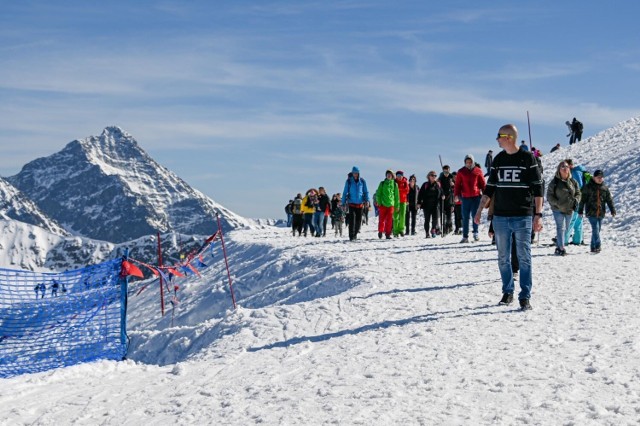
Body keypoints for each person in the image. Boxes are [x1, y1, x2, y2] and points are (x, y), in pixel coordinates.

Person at [474, 124, 543, 311]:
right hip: (501, 217)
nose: (497, 139)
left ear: (509, 137)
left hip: (523, 216)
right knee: (503, 257)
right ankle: (507, 291)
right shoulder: (498, 159)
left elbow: (538, 188)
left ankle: (525, 295)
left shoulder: (528, 158)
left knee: (524, 257)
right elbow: (490, 188)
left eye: (499, 136)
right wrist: (480, 210)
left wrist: (538, 215)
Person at [546, 161, 581, 256]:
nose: (565, 168)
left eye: (566, 166)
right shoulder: (554, 182)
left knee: (567, 228)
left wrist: (576, 201)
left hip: (570, 209)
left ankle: (558, 245)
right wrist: (557, 203)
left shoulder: (573, 182)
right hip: (558, 209)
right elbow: (549, 195)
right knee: (560, 227)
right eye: (562, 167)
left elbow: (578, 193)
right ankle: (561, 248)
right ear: (559, 170)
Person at [578, 169, 616, 253]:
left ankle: (592, 247)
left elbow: (609, 200)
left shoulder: (604, 188)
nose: (600, 179)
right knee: (595, 229)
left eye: (602, 177)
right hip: (591, 212)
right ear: (594, 177)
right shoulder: (587, 187)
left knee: (597, 230)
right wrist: (580, 210)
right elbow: (582, 200)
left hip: (601, 212)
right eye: (598, 177)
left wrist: (612, 210)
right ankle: (598, 245)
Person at [454, 155, 486, 242]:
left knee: (475, 216)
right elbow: (457, 185)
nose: (468, 164)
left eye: (470, 162)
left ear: (473, 162)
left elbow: (482, 184)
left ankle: (476, 233)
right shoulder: (461, 172)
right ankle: (465, 236)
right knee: (465, 217)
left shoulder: (478, 171)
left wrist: (485, 194)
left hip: (476, 197)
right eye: (467, 162)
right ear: (465, 162)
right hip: (465, 198)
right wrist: (456, 195)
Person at [342, 166, 370, 241]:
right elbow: (345, 192)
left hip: (360, 204)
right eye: (354, 173)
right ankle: (351, 236)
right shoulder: (349, 181)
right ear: (352, 173)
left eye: (356, 173)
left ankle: (355, 234)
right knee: (352, 220)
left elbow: (366, 192)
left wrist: (367, 200)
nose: (355, 174)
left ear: (358, 173)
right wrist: (343, 202)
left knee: (358, 221)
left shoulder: (362, 181)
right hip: (352, 204)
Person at [565, 159, 587, 245]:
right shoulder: (581, 171)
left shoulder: (574, 172)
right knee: (578, 220)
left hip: (576, 200)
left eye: (566, 166)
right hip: (581, 199)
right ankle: (577, 240)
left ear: (570, 165)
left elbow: (579, 186)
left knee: (571, 220)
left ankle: (565, 240)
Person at [418, 171, 442, 238]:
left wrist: (443, 195)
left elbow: (441, 192)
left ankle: (433, 230)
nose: (434, 177)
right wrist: (419, 203)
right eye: (432, 175)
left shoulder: (438, 184)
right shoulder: (425, 184)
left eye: (435, 175)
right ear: (429, 176)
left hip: (435, 205)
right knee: (427, 220)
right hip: (427, 205)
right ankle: (427, 233)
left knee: (435, 219)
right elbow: (420, 194)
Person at [376, 170, 399, 239]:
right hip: (383, 205)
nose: (389, 175)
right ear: (386, 175)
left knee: (389, 220)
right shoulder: (382, 183)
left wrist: (396, 206)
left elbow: (396, 196)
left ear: (392, 176)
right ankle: (380, 231)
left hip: (391, 205)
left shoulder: (395, 184)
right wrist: (379, 203)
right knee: (381, 220)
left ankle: (388, 234)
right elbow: (378, 194)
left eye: (390, 174)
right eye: (387, 174)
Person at [437, 165, 455, 235]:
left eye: (447, 171)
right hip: (443, 200)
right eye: (444, 171)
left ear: (449, 171)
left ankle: (449, 227)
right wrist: (442, 194)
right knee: (442, 217)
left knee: (449, 218)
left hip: (450, 200)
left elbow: (455, 189)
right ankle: (444, 230)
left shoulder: (452, 177)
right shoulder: (440, 178)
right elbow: (439, 188)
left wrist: (453, 185)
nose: (446, 173)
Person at [393, 170, 409, 237]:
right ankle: (395, 231)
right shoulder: (394, 182)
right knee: (396, 216)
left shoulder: (405, 182)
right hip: (395, 202)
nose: (399, 177)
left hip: (403, 201)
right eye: (398, 176)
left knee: (402, 216)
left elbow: (407, 191)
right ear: (396, 176)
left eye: (400, 176)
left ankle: (401, 230)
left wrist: (399, 190)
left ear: (403, 176)